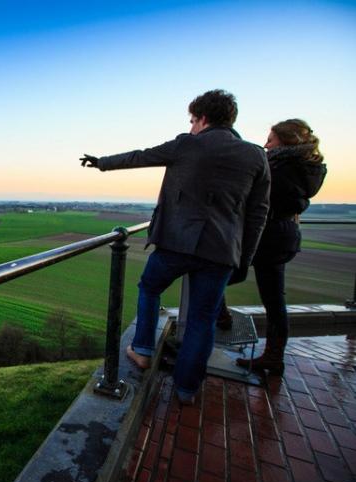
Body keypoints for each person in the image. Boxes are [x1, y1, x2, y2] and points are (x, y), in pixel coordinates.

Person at [80, 89, 270, 405]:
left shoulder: (187, 144)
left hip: (176, 244)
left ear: (203, 119)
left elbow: (140, 156)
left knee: (150, 287)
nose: (192, 126)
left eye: (193, 120)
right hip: (222, 251)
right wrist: (243, 258)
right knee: (202, 318)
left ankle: (141, 350)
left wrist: (101, 163)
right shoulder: (255, 155)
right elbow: (258, 213)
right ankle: (186, 389)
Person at [235, 119, 326, 374]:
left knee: (216, 273)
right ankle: (274, 356)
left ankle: (271, 356)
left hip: (269, 237)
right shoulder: (306, 168)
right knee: (275, 300)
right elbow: (298, 201)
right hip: (284, 235)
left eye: (271, 139)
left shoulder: (281, 168)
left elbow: (257, 196)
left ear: (286, 142)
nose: (266, 144)